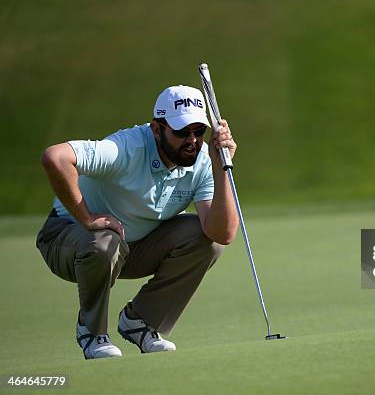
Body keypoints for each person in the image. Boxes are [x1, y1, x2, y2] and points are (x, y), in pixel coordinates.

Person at [36, 85, 239, 360]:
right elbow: (55, 158)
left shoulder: (203, 160)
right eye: (181, 132)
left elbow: (222, 233)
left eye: (198, 131)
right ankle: (92, 332)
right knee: (105, 242)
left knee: (206, 240)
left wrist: (220, 167)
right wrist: (86, 217)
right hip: (67, 240)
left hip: (130, 248)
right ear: (157, 129)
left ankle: (140, 322)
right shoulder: (126, 148)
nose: (192, 140)